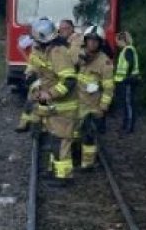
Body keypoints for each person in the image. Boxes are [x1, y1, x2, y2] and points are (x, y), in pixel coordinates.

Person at [21, 17, 79, 185]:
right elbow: (40, 67)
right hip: (55, 107)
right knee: (55, 139)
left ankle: (64, 177)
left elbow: (69, 80)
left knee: (61, 142)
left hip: (64, 107)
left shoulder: (58, 52)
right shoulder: (47, 50)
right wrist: (31, 75)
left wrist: (50, 94)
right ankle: (55, 171)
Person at [75, 26, 114, 169]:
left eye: (95, 41)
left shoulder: (105, 63)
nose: (92, 43)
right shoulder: (78, 56)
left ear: (100, 43)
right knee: (72, 133)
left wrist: (103, 108)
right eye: (89, 40)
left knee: (88, 135)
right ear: (85, 41)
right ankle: (75, 155)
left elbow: (109, 88)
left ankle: (88, 163)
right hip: (75, 102)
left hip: (92, 106)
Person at [114, 31, 140, 133]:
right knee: (126, 104)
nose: (116, 43)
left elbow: (130, 64)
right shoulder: (126, 50)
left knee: (128, 104)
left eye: (117, 40)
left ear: (123, 40)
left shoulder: (128, 50)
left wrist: (126, 78)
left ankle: (129, 127)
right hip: (126, 81)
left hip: (128, 81)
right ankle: (125, 126)